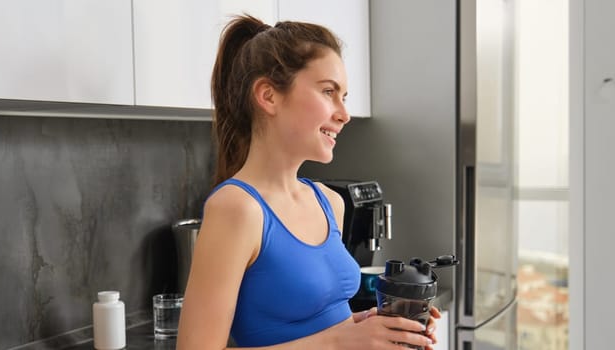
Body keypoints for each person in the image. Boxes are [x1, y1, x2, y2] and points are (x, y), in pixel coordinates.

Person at [177, 14, 441, 349]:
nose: (344, 114)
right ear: (269, 96)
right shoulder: (237, 208)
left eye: (344, 96)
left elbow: (325, 324)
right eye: (328, 91)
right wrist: (340, 342)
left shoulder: (329, 202)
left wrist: (377, 327)